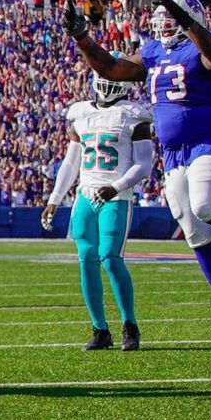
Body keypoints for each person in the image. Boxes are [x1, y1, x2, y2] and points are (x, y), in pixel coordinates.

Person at [68, 0, 211, 354]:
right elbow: (111, 68)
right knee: (194, 232)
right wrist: (83, 38)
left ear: (191, 17)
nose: (163, 21)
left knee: (205, 207)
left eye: (171, 15)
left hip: (208, 140)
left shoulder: (210, 40)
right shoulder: (153, 51)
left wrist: (190, 25)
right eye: (162, 15)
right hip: (174, 152)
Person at [42, 75, 155, 351]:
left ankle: (130, 325)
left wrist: (116, 187)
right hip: (85, 194)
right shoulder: (81, 113)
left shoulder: (134, 115)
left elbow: (144, 164)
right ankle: (100, 330)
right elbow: (71, 162)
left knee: (111, 257)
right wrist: (55, 199)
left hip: (116, 196)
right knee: (86, 259)